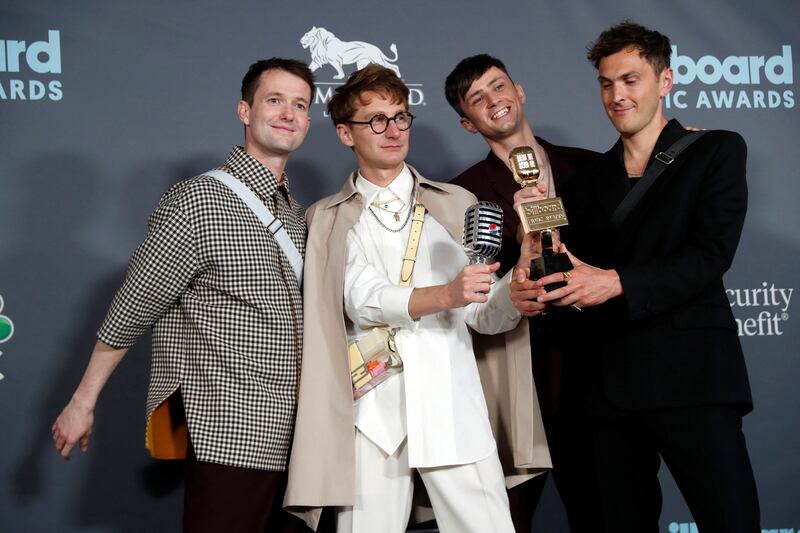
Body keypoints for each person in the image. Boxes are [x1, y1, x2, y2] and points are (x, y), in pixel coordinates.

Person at [51, 58, 315, 533]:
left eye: (300, 105)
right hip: (232, 431)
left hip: (299, 438)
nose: (287, 113)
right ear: (244, 110)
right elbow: (133, 306)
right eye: (274, 100)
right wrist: (83, 400)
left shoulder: (298, 215)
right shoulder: (197, 200)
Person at [517, 21, 761, 532]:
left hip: (694, 379)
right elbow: (570, 273)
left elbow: (711, 255)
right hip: (609, 389)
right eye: (607, 83)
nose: (617, 95)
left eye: (630, 80)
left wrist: (619, 282)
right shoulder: (585, 184)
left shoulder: (715, 150)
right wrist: (535, 240)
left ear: (665, 80)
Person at [284, 64, 531, 533]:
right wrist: (446, 293)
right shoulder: (327, 219)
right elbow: (363, 300)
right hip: (372, 420)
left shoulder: (455, 202)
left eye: (400, 117)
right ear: (345, 133)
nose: (393, 130)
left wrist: (514, 289)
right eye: (376, 119)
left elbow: (481, 316)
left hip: (453, 407)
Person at [445, 54, 602, 532]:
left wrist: (684, 147)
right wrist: (521, 254)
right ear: (467, 124)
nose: (493, 100)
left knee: (608, 513)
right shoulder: (462, 194)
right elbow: (471, 294)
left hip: (599, 377)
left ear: (520, 89)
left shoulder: (594, 168)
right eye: (478, 98)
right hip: (517, 382)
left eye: (498, 86)